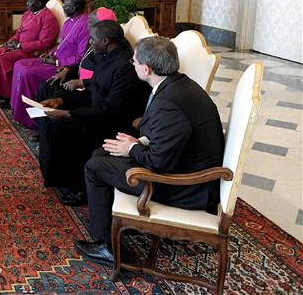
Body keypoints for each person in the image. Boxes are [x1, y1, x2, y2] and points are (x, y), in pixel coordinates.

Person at [75, 36, 225, 267]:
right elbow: (170, 137)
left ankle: (108, 247)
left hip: (185, 186)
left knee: (94, 167)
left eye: (134, 61)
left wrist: (133, 148)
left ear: (146, 69)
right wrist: (138, 141)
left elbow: (158, 163)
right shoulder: (178, 85)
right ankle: (122, 225)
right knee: (102, 154)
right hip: (182, 165)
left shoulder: (169, 102)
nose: (131, 65)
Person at [36, 21, 150, 205]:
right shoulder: (107, 56)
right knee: (52, 117)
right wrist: (62, 102)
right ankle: (60, 177)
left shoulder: (125, 66)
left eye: (93, 39)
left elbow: (110, 108)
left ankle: (79, 187)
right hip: (101, 110)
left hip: (116, 121)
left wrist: (68, 113)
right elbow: (95, 88)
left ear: (105, 41)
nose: (90, 43)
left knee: (64, 126)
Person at [8, 0, 90, 127]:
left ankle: (32, 120)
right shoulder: (69, 20)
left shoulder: (84, 25)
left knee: (27, 73)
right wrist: (49, 53)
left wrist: (57, 62)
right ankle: (18, 109)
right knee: (19, 64)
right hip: (54, 58)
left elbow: (80, 57)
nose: (63, 8)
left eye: (66, 6)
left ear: (74, 7)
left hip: (63, 66)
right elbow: (61, 44)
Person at [0, 0, 59, 101]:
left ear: (39, 4)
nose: (26, 4)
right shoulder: (27, 14)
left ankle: (7, 96)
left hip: (31, 51)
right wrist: (11, 41)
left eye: (30, 2)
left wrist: (20, 45)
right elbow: (18, 33)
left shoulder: (48, 18)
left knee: (2, 60)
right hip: (18, 47)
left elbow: (44, 43)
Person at [34, 7, 117, 102]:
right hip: (78, 77)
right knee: (45, 86)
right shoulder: (94, 39)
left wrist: (81, 82)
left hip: (90, 91)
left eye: (90, 22)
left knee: (54, 96)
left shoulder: (109, 48)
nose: (87, 24)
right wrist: (67, 70)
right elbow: (83, 60)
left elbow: (103, 79)